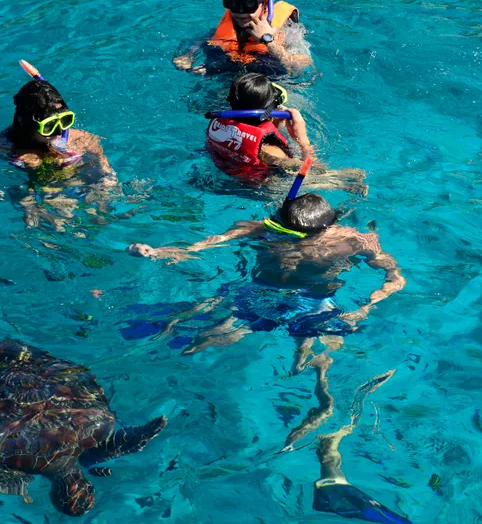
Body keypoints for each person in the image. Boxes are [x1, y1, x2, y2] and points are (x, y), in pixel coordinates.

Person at [128, 192, 405, 448]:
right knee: (207, 339)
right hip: (265, 296)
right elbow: (206, 244)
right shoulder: (262, 228)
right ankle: (162, 379)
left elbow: (395, 278)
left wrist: (365, 308)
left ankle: (323, 408)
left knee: (317, 365)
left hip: (310, 302)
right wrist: (158, 252)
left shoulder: (356, 240)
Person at [0, 73, 118, 231]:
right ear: (27, 123)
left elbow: (96, 148)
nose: (59, 131)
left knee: (103, 213)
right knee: (46, 224)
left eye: (64, 120)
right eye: (49, 126)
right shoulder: (6, 143)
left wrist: (105, 169)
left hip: (78, 183)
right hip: (38, 194)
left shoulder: (76, 137)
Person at [205, 73, 367, 194]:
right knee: (353, 175)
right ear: (271, 110)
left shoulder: (218, 125)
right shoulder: (271, 151)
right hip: (265, 190)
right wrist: (302, 140)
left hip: (234, 176)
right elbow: (311, 171)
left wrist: (276, 129)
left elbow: (246, 144)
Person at [310, 369, 423, 524]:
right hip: (332, 485)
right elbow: (350, 400)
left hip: (331, 485)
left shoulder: (333, 427)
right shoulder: (339, 424)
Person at [173, 0, 313, 75]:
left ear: (265, 3)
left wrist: (269, 41)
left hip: (272, 81)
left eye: (248, 4)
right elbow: (203, 39)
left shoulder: (286, 28)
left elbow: (303, 64)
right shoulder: (230, 23)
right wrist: (188, 55)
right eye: (233, 3)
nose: (240, 12)